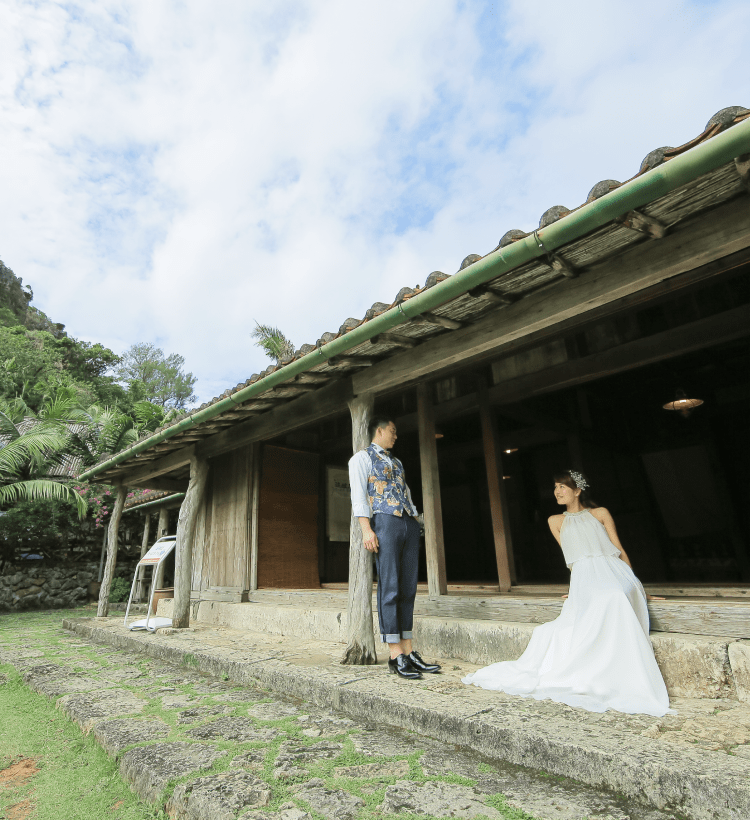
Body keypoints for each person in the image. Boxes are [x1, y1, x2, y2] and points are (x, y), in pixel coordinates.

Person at [463, 469, 673, 716]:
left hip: (613, 570)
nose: (557, 491)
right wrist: (575, 591)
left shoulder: (600, 513)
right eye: (555, 487)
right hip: (585, 576)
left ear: (578, 490)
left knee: (615, 597)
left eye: (562, 486)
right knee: (589, 608)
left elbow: (618, 548)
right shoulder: (555, 521)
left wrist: (637, 585)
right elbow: (572, 560)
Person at [348, 417, 441, 679]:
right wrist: (367, 530)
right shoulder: (361, 458)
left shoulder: (397, 461)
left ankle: (409, 652)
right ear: (379, 430)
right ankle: (395, 654)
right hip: (384, 522)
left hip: (407, 522)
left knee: (408, 587)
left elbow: (406, 492)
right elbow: (358, 496)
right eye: (392, 431)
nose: (395, 436)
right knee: (389, 586)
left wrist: (416, 520)